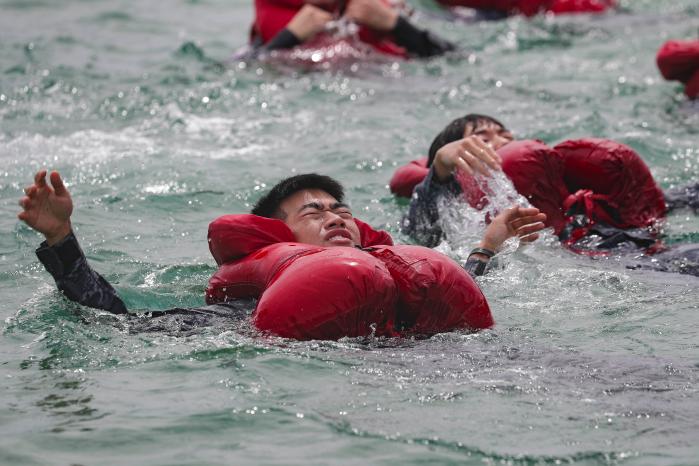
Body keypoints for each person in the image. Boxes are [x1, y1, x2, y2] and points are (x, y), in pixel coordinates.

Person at [18, 170, 545, 324]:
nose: (335, 218)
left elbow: (460, 291)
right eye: (312, 213)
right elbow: (120, 324)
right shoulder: (251, 304)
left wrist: (489, 244)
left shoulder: (403, 269)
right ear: (278, 238)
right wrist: (63, 240)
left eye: (341, 211)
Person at [399, 114, 699, 276]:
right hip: (610, 272)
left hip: (636, 250)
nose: (500, 142)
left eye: (505, 135)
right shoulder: (461, 215)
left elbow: (666, 203)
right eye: (482, 139)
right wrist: (439, 171)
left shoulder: (562, 188)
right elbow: (420, 233)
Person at [253, 0, 455, 58]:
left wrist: (397, 25)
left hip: (389, 94)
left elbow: (453, 57)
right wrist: (289, 37)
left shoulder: (378, 7)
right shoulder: (275, 11)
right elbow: (241, 71)